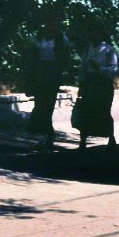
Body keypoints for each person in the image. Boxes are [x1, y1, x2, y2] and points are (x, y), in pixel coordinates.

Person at [26, 14, 73, 148]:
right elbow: (32, 53)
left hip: (53, 74)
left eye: (53, 22)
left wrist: (61, 70)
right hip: (40, 73)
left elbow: (65, 56)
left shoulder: (61, 37)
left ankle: (47, 134)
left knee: (48, 105)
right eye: (48, 22)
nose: (50, 25)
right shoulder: (39, 35)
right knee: (40, 104)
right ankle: (46, 133)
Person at [72, 26, 119, 149]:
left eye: (96, 34)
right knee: (86, 110)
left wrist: (99, 68)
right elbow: (82, 66)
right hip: (89, 83)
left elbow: (114, 69)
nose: (94, 37)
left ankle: (110, 137)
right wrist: (81, 83)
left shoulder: (109, 50)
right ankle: (83, 140)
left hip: (103, 84)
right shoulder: (88, 49)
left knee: (104, 110)